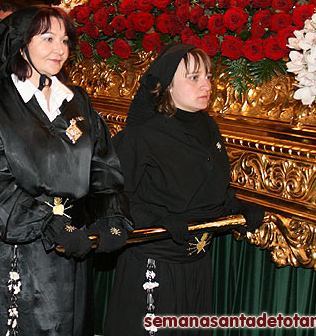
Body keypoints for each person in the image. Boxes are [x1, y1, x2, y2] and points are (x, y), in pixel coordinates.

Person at [0, 6, 133, 336]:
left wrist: (111, 216)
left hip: (77, 237)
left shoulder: (77, 100)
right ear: (20, 43)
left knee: (73, 323)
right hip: (25, 245)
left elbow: (102, 164)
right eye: (48, 39)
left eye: (65, 40)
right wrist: (51, 226)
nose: (60, 49)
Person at [103, 43, 264, 335]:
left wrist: (234, 207)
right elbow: (114, 196)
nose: (206, 84)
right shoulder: (141, 136)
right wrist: (157, 218)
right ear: (167, 87)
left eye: (208, 76)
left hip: (196, 261)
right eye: (194, 77)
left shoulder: (209, 128)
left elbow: (210, 187)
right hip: (156, 263)